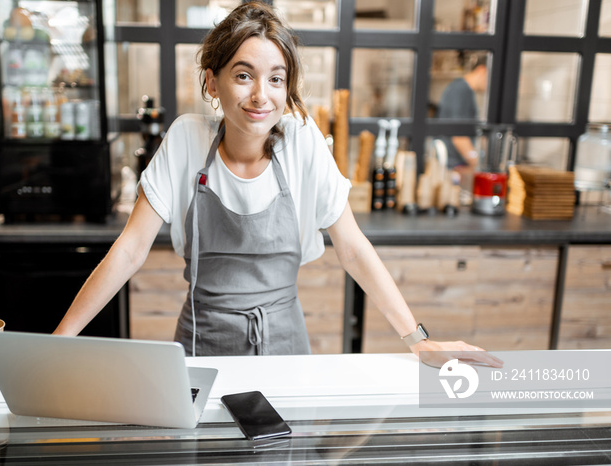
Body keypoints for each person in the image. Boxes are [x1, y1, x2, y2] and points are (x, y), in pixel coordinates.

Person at [53, 2, 501, 369]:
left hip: (286, 349)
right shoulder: (186, 139)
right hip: (200, 347)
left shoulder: (303, 142)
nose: (260, 95)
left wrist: (417, 340)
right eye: (243, 74)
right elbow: (130, 250)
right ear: (213, 80)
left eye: (276, 78)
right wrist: (57, 345)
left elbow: (353, 248)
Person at [436, 53, 489, 171]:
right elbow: (459, 137)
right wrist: (477, 165)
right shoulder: (461, 91)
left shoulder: (463, 89)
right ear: (482, 71)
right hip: (454, 165)